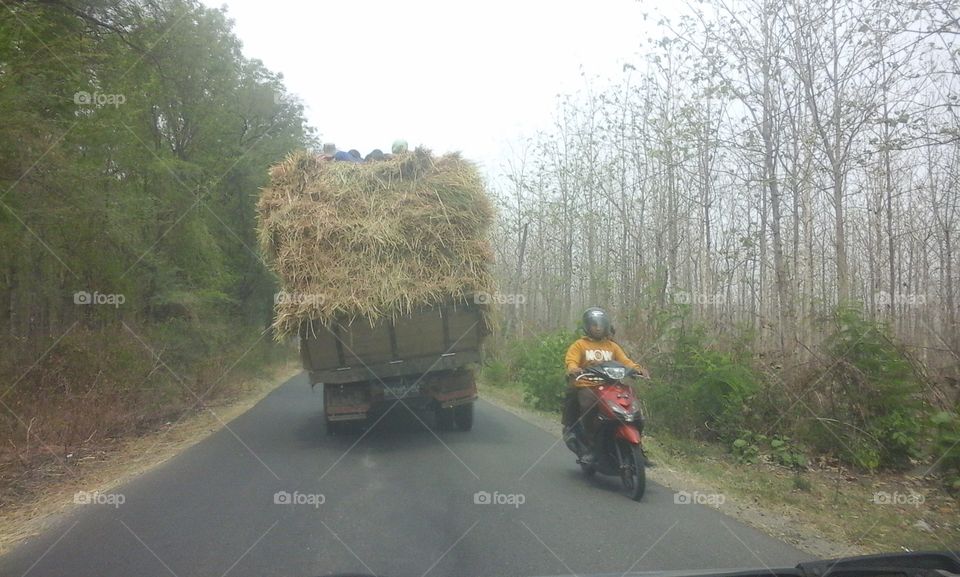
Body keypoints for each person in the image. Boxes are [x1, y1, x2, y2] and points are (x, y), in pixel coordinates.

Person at [562, 307, 648, 464]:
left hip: (610, 386)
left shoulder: (612, 346)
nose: (598, 327)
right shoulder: (579, 345)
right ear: (587, 326)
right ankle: (591, 446)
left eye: (600, 324)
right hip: (587, 385)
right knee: (589, 405)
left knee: (635, 410)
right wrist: (573, 369)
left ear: (606, 326)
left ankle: (637, 449)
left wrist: (637, 369)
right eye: (594, 324)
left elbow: (625, 361)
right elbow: (571, 360)